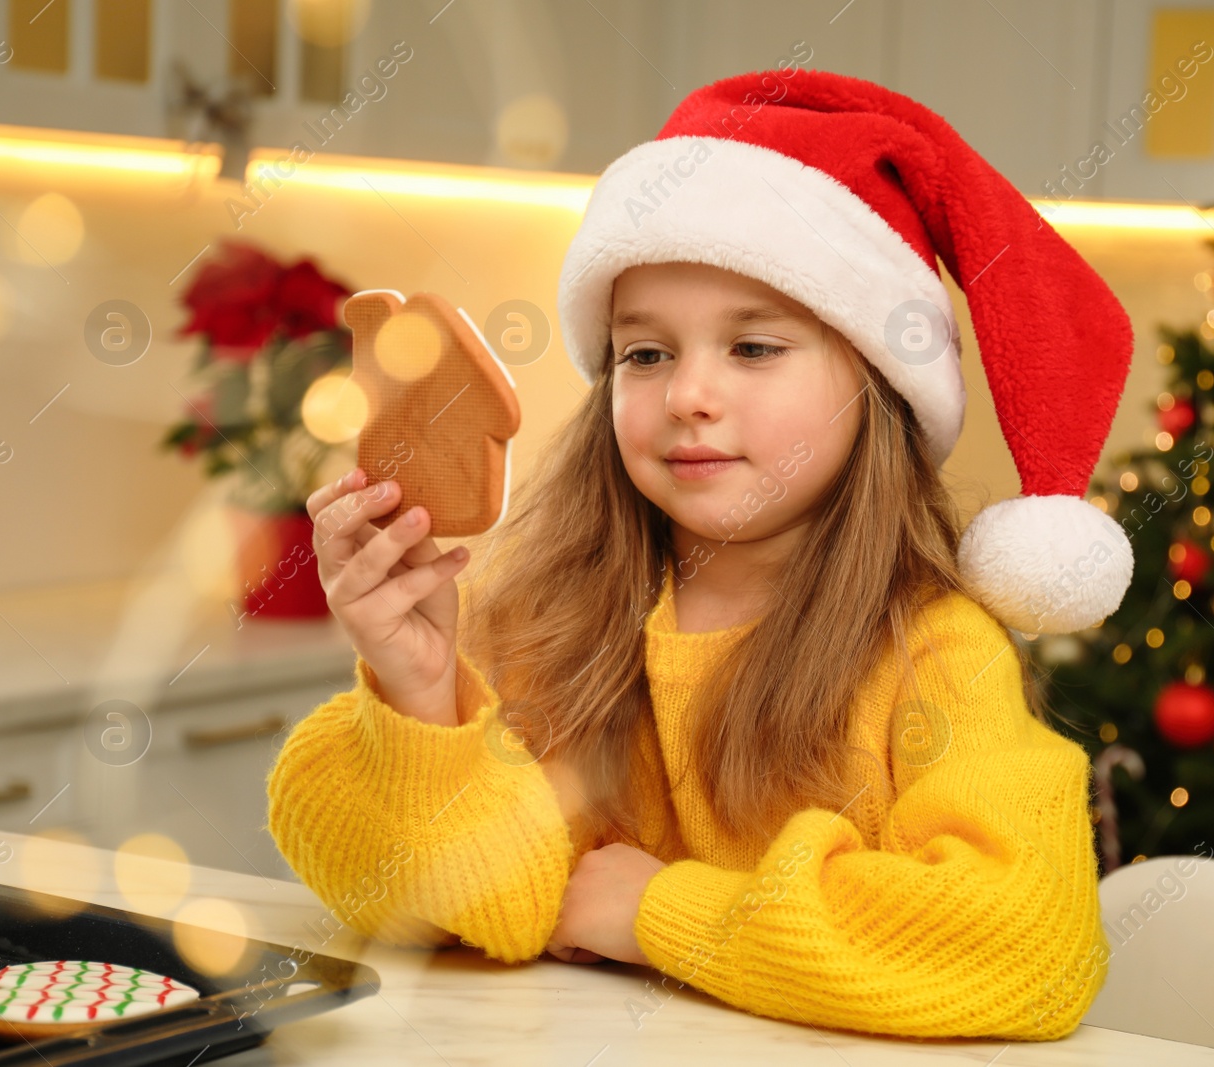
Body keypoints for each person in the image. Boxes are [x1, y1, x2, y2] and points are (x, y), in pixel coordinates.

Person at [267, 66, 1135, 1040]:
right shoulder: (549, 613)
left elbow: (1027, 945)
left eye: (754, 347)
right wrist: (419, 697)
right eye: (645, 353)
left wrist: (656, 911)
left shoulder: (936, 651)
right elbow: (466, 902)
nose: (686, 394)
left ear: (878, 389)